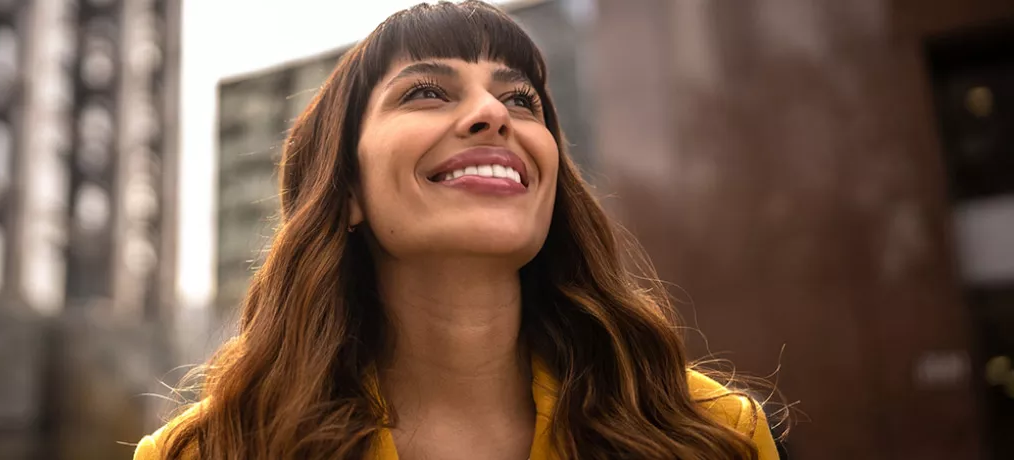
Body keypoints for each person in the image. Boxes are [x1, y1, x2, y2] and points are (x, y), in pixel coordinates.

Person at [135, 1, 782, 459]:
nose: (492, 113)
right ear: (349, 191)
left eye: (521, 100)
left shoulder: (710, 435)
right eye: (427, 92)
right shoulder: (205, 452)